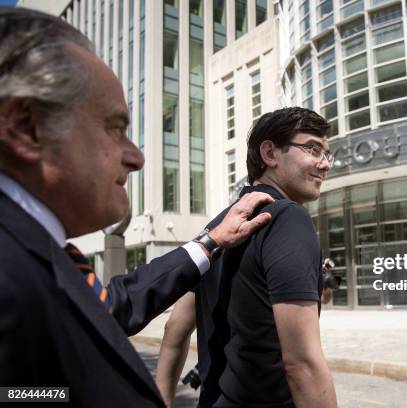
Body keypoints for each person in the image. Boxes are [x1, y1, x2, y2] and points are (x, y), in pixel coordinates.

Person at [0, 8, 272, 407]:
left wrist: (210, 241)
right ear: (25, 128)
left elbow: (109, 307)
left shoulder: (34, 255)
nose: (136, 157)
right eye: (115, 128)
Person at [156, 107, 338, 408]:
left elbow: (174, 329)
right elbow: (302, 364)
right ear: (270, 153)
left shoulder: (216, 228)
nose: (325, 164)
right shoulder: (287, 218)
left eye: (327, 154)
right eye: (312, 148)